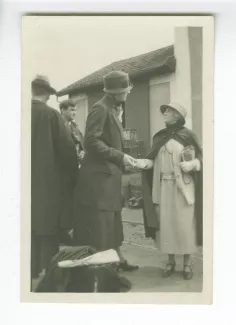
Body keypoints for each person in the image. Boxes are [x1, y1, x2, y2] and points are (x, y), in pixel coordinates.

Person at [73, 71, 139, 271]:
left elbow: (108, 140)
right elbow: (91, 141)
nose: (128, 93)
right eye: (125, 90)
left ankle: (117, 260)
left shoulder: (112, 108)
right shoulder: (100, 108)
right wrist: (119, 156)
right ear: (114, 92)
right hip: (99, 180)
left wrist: (123, 159)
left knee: (113, 223)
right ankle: (106, 269)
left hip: (109, 177)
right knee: (102, 226)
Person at [136, 102, 203, 280]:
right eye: (164, 111)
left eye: (168, 111)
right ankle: (171, 261)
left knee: (185, 225)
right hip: (164, 188)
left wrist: (192, 164)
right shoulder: (159, 137)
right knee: (167, 225)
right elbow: (153, 161)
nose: (164, 113)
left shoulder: (188, 136)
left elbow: (201, 160)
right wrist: (143, 163)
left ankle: (187, 264)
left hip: (184, 188)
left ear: (177, 116)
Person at [31, 75, 77, 284]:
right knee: (48, 228)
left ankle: (29, 271)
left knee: (27, 227)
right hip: (48, 185)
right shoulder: (51, 115)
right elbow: (67, 152)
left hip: (23, 185)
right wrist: (71, 180)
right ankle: (49, 275)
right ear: (48, 94)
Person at [59, 99, 85, 167]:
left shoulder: (74, 127)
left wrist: (82, 151)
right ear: (63, 110)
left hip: (75, 164)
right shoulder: (57, 126)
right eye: (72, 110)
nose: (75, 113)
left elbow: (81, 142)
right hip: (63, 165)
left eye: (75, 110)